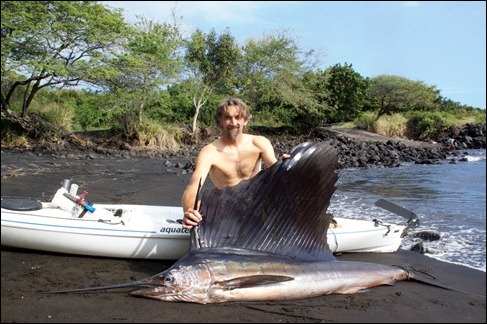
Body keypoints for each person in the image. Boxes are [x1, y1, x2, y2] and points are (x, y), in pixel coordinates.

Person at [181, 97, 288, 230]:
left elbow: (277, 175)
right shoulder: (209, 152)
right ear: (220, 121)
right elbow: (193, 187)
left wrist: (286, 165)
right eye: (228, 117)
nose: (233, 122)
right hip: (227, 212)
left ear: (245, 120)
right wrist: (190, 211)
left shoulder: (259, 143)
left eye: (238, 117)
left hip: (257, 208)